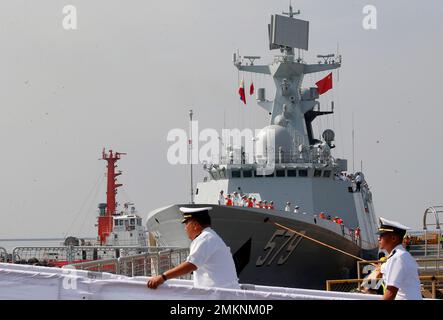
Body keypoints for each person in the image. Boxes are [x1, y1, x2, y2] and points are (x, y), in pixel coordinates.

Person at [147, 207, 240, 289]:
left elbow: (190, 265)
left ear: (195, 225)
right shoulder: (211, 236)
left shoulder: (204, 239)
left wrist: (163, 277)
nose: (185, 228)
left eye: (186, 224)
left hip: (219, 296)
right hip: (222, 292)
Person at [376, 217, 422, 300]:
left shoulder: (397, 258)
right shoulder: (402, 255)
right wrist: (381, 269)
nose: (379, 238)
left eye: (382, 235)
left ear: (393, 238)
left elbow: (390, 293)